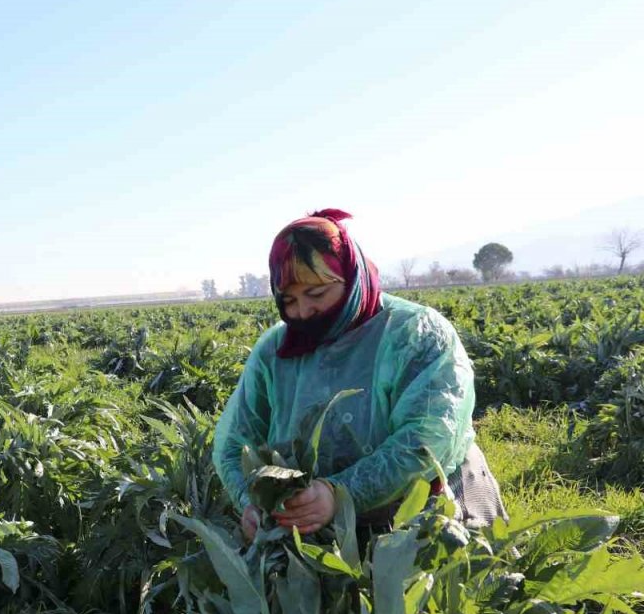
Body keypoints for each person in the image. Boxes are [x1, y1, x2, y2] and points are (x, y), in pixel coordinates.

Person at [211, 209, 506, 542]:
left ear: (351, 278)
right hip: (312, 516)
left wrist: (340, 493)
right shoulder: (275, 352)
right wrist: (250, 502)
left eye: (317, 294)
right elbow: (235, 443)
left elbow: (427, 439)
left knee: (451, 580)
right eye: (289, 300)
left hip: (428, 500)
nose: (303, 312)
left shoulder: (416, 334)